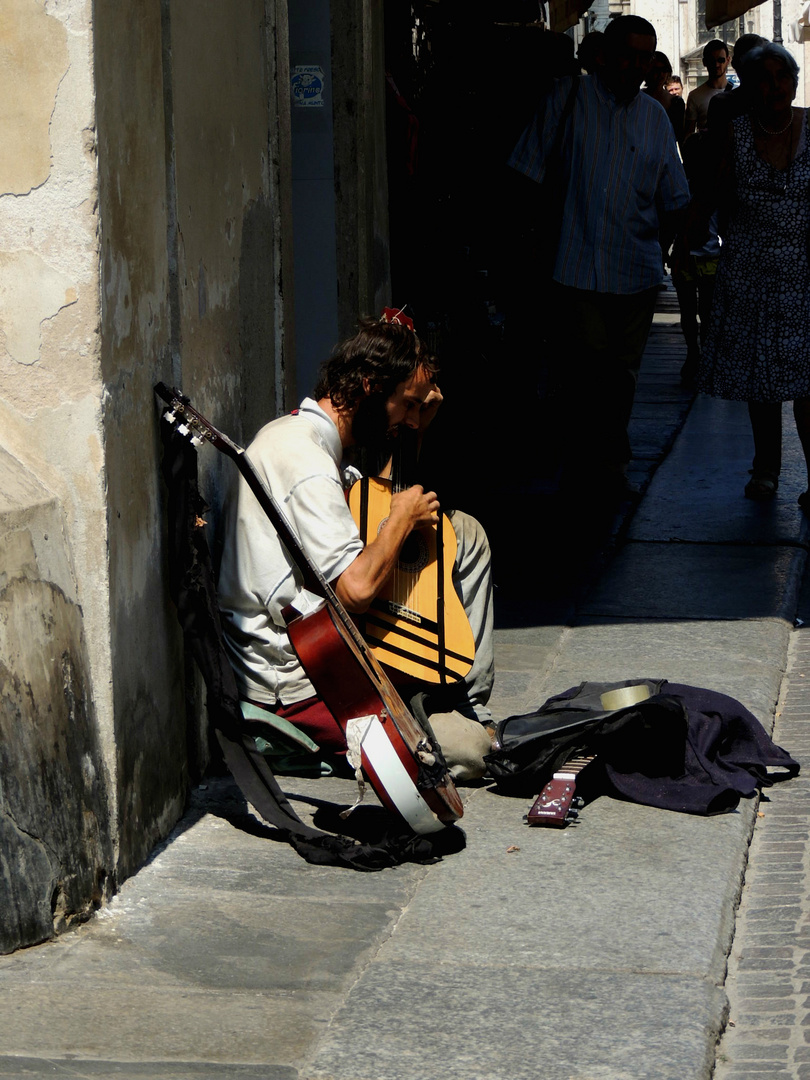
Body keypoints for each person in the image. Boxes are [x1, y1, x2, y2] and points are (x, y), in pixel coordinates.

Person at [217, 314, 495, 779]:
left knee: (463, 532)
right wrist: (402, 518)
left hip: (333, 650)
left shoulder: (314, 443)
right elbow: (354, 592)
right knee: (470, 753)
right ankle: (460, 723)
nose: (406, 420)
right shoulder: (303, 459)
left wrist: (418, 431)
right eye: (405, 405)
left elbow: (384, 507)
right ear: (369, 387)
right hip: (300, 681)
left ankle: (470, 706)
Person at [508, 15, 690, 497]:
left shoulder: (655, 116)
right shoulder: (568, 99)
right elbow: (524, 175)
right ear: (606, 55)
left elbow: (675, 197)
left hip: (636, 270)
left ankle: (606, 458)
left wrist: (664, 251)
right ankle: (587, 456)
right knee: (585, 367)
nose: (635, 66)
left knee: (620, 376)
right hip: (575, 265)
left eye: (645, 57)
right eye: (627, 54)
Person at [693, 44, 810, 507]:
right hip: (749, 271)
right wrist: (690, 244)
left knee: (807, 379)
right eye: (764, 78)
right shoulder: (735, 133)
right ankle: (766, 471)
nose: (775, 86)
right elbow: (709, 194)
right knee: (762, 378)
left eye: (783, 77)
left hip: (803, 272)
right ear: (751, 86)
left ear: (795, 82)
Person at [683, 40, 731, 140]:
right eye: (712, 60)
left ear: (728, 60)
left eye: (721, 60)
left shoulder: (737, 93)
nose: (716, 64)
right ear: (705, 62)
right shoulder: (695, 96)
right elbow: (688, 136)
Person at [644, 51, 686, 143]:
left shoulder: (676, 102)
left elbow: (679, 136)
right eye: (656, 70)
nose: (661, 74)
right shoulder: (637, 98)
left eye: (664, 70)